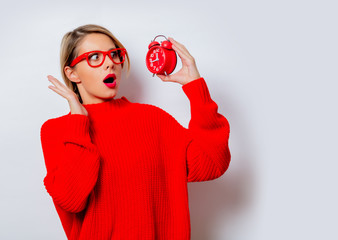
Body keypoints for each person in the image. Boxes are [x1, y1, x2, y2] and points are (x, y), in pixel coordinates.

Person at [40, 24, 231, 240]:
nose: (110, 63)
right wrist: (79, 122)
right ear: (72, 73)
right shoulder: (57, 131)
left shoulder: (152, 119)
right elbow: (71, 199)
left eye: (114, 55)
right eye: (95, 57)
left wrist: (196, 88)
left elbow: (212, 161)